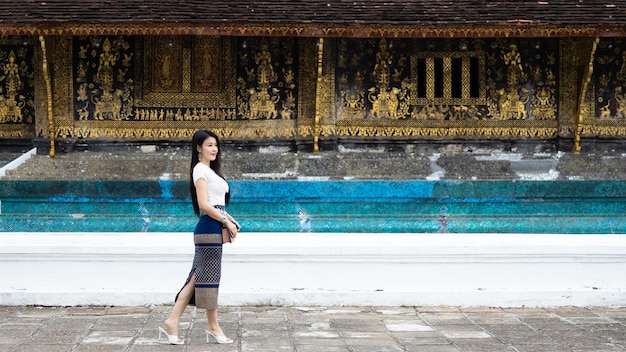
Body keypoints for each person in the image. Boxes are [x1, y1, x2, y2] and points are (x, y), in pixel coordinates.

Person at [159, 129, 240, 345]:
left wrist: (231, 220)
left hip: (213, 226)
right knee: (209, 277)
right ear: (198, 148)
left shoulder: (211, 171)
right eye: (209, 145)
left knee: (198, 277)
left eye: (216, 145)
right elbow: (205, 205)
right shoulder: (199, 171)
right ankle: (212, 325)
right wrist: (226, 222)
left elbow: (217, 203)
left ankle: (173, 320)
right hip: (209, 228)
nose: (214, 149)